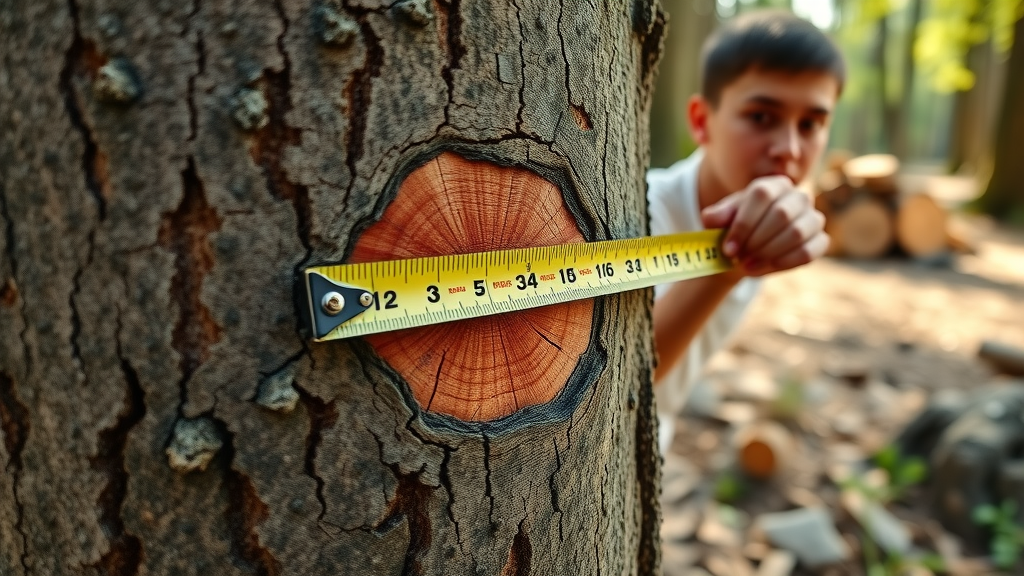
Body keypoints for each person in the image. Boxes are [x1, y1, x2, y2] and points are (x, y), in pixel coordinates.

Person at [649, 10, 845, 452]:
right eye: (761, 117)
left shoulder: (766, 216)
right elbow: (620, 373)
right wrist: (726, 265)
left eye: (811, 124)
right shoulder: (638, 212)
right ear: (701, 121)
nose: (789, 150)